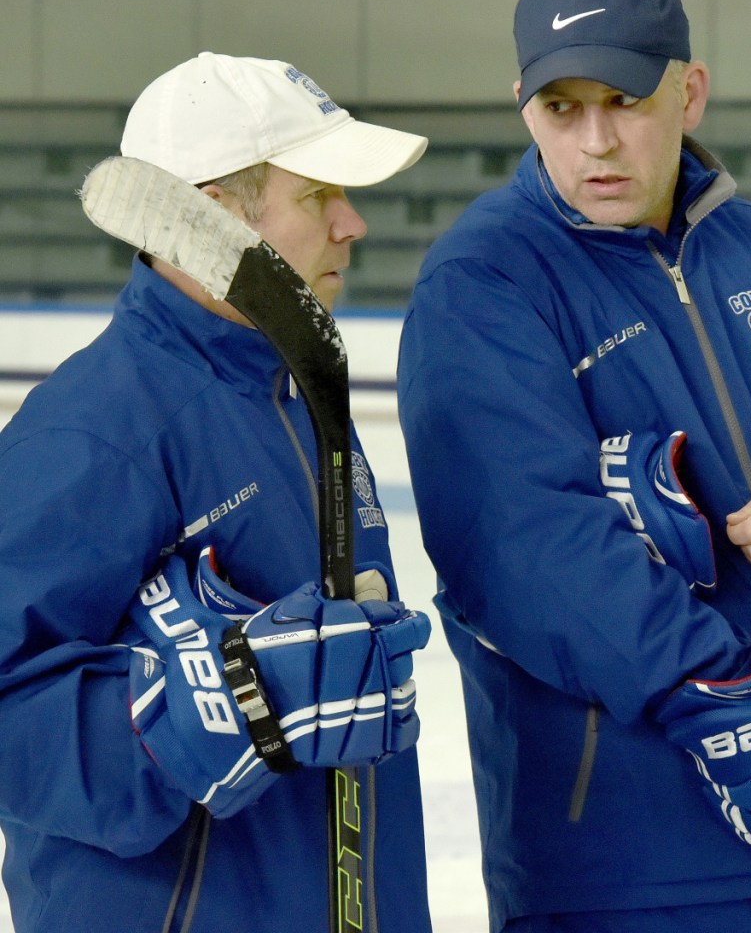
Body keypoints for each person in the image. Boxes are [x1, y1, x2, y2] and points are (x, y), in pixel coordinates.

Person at [397, 0, 751, 933]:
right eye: (560, 109)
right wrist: (733, 699)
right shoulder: (482, 281)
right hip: (615, 869)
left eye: (624, 101)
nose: (595, 141)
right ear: (522, 106)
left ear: (690, 92)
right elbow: (521, 543)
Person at [0, 52, 433, 933]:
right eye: (317, 196)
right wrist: (216, 709)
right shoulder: (97, 428)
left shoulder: (299, 396)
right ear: (215, 212)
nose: (352, 223)